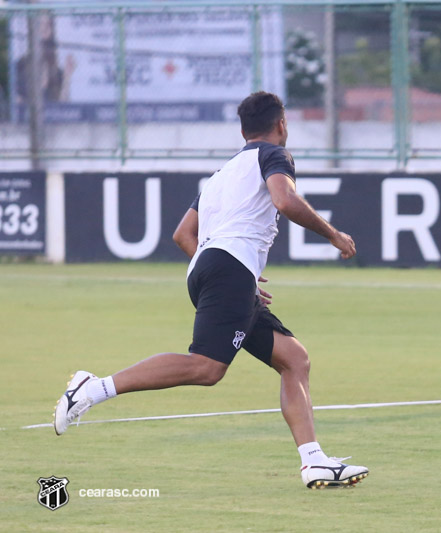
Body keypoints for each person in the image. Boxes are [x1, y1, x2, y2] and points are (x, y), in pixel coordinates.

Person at [53, 91, 369, 489]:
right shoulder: (274, 155)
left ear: (242, 130)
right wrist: (335, 235)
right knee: (206, 367)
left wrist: (235, 274)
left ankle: (314, 461)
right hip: (228, 269)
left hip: (209, 266)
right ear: (282, 125)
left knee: (294, 359)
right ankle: (92, 388)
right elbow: (285, 201)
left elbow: (183, 234)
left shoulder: (223, 174)